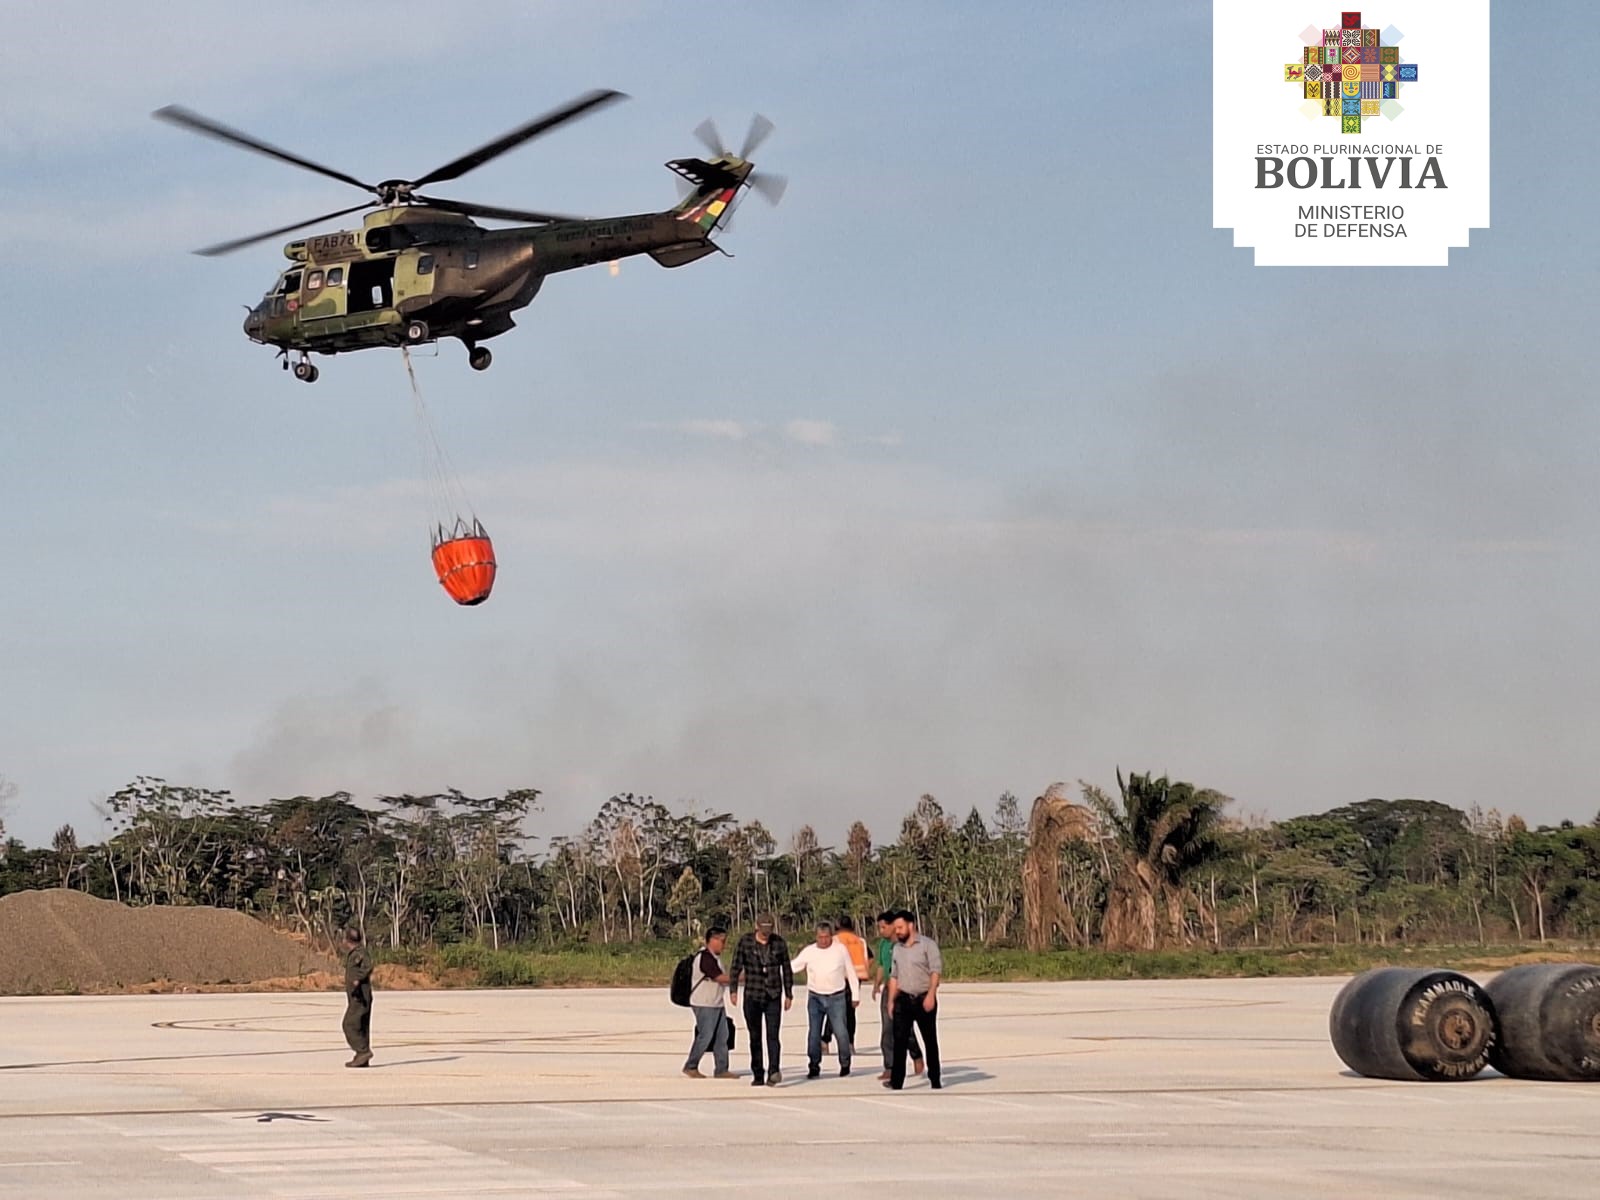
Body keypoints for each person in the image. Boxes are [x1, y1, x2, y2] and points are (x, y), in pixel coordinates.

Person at [728, 913, 793, 1087]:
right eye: (763, 931)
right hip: (752, 995)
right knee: (755, 1036)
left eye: (768, 931)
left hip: (773, 995)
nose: (766, 934)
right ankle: (758, 1073)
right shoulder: (745, 942)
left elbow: (787, 969)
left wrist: (789, 993)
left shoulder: (779, 943)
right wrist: (733, 990)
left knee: (773, 1035)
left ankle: (773, 1071)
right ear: (756, 927)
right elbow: (735, 966)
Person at [790, 920, 860, 1078]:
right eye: (820, 937)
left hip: (837, 997)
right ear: (816, 937)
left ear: (831, 936)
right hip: (815, 997)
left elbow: (850, 972)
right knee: (814, 1033)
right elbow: (793, 966)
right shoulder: (809, 951)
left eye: (826, 937)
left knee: (841, 1032)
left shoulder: (840, 949)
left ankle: (845, 1063)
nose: (823, 940)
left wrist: (855, 995)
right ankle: (814, 1065)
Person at [885, 910, 942, 1090]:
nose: (897, 931)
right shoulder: (897, 949)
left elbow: (935, 971)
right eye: (896, 928)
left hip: (924, 998)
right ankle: (897, 1081)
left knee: (930, 1040)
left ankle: (935, 1078)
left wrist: (931, 995)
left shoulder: (927, 945)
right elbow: (894, 976)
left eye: (900, 927)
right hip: (903, 999)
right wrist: (891, 1001)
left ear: (911, 925)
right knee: (899, 1041)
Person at [872, 910, 922, 1081]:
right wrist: (876, 984)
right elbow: (881, 965)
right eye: (879, 928)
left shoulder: (903, 944)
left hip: (903, 989)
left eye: (883, 927)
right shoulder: (883, 945)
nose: (881, 931)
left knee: (904, 1027)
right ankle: (890, 1066)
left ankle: (916, 1054)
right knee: (887, 1028)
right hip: (888, 989)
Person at [683, 926, 735, 1079]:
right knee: (705, 1035)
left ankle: (721, 1069)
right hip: (704, 1003)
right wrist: (742, 978)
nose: (724, 945)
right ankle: (691, 1065)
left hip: (716, 1002)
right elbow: (719, 977)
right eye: (722, 941)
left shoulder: (715, 958)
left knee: (722, 1036)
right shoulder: (705, 958)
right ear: (712, 940)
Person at [821, 915, 870, 1058]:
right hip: (857, 978)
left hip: (840, 978)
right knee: (850, 1012)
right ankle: (850, 1043)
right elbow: (870, 957)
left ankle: (825, 1040)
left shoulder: (835, 940)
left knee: (835, 1011)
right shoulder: (860, 941)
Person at [341, 927, 373, 1068]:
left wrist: (357, 979)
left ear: (348, 940)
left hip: (360, 996)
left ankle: (363, 1051)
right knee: (361, 1026)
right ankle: (362, 1058)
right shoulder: (355, 953)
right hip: (357, 995)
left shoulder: (360, 953)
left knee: (349, 1024)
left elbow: (368, 966)